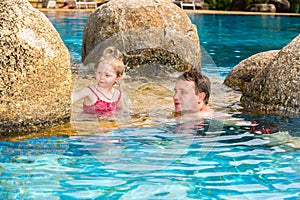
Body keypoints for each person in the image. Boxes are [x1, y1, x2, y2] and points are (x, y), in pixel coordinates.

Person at [72, 46, 126, 117]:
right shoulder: (89, 91)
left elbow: (122, 111)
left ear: (117, 78)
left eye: (107, 75)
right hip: (90, 125)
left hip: (108, 126)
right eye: (99, 73)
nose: (102, 77)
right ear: (96, 70)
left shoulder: (117, 95)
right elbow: (70, 99)